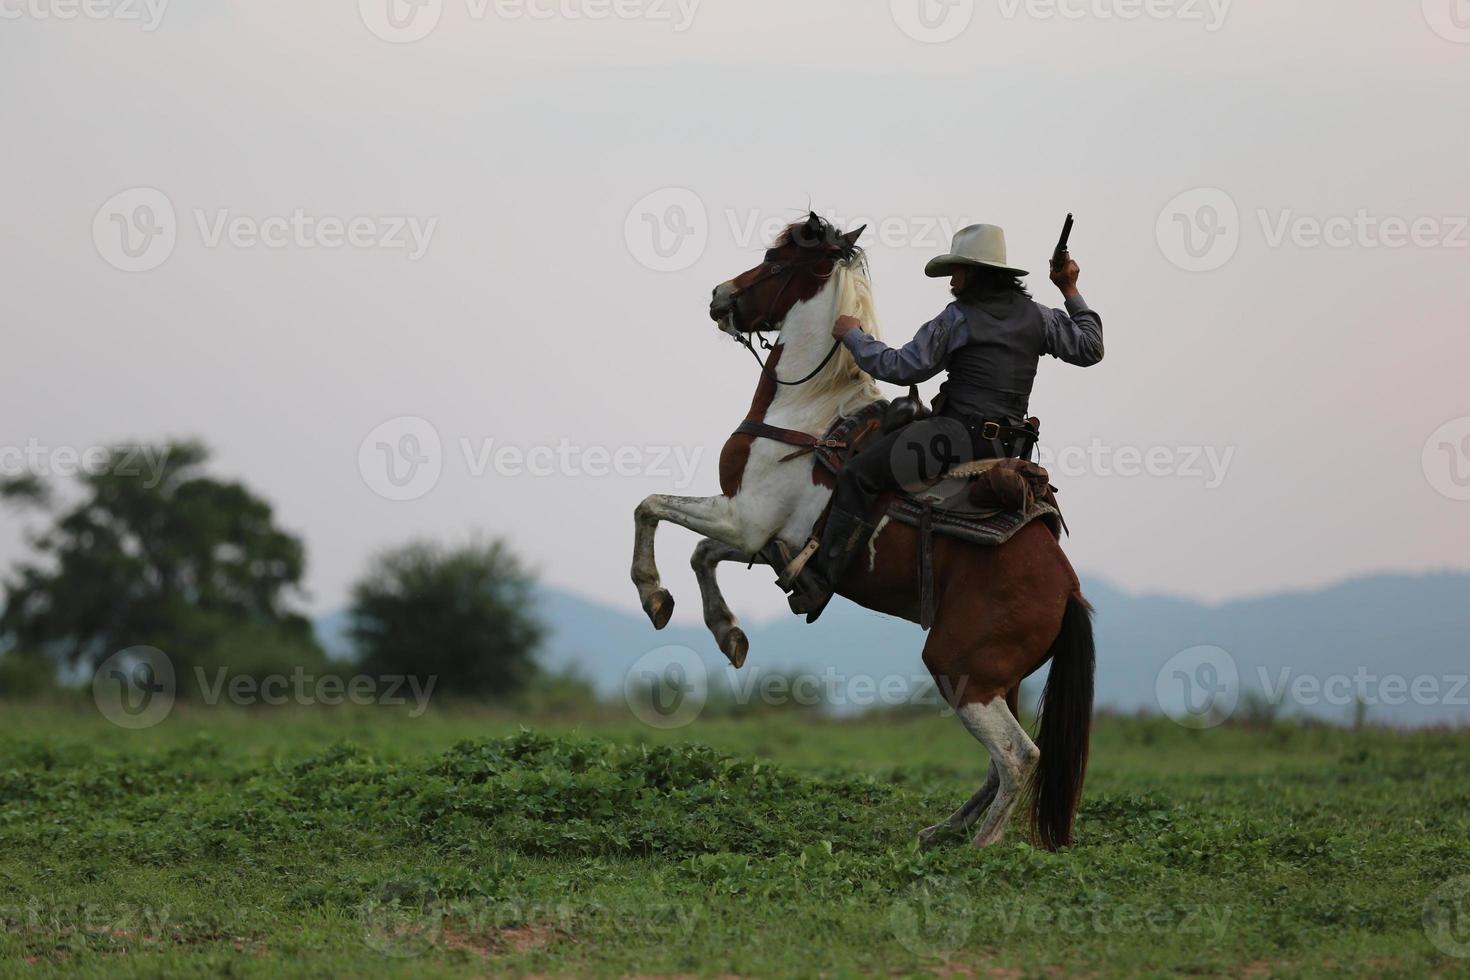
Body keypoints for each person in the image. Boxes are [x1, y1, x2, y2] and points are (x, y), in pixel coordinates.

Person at [788, 223, 1105, 622]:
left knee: (859, 474)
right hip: (1008, 447)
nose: (952, 280)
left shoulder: (959, 318)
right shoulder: (1040, 318)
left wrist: (854, 336)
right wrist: (1069, 289)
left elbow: (902, 367)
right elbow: (1091, 347)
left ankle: (819, 580)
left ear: (975, 272)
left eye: (957, 270)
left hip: (954, 438)